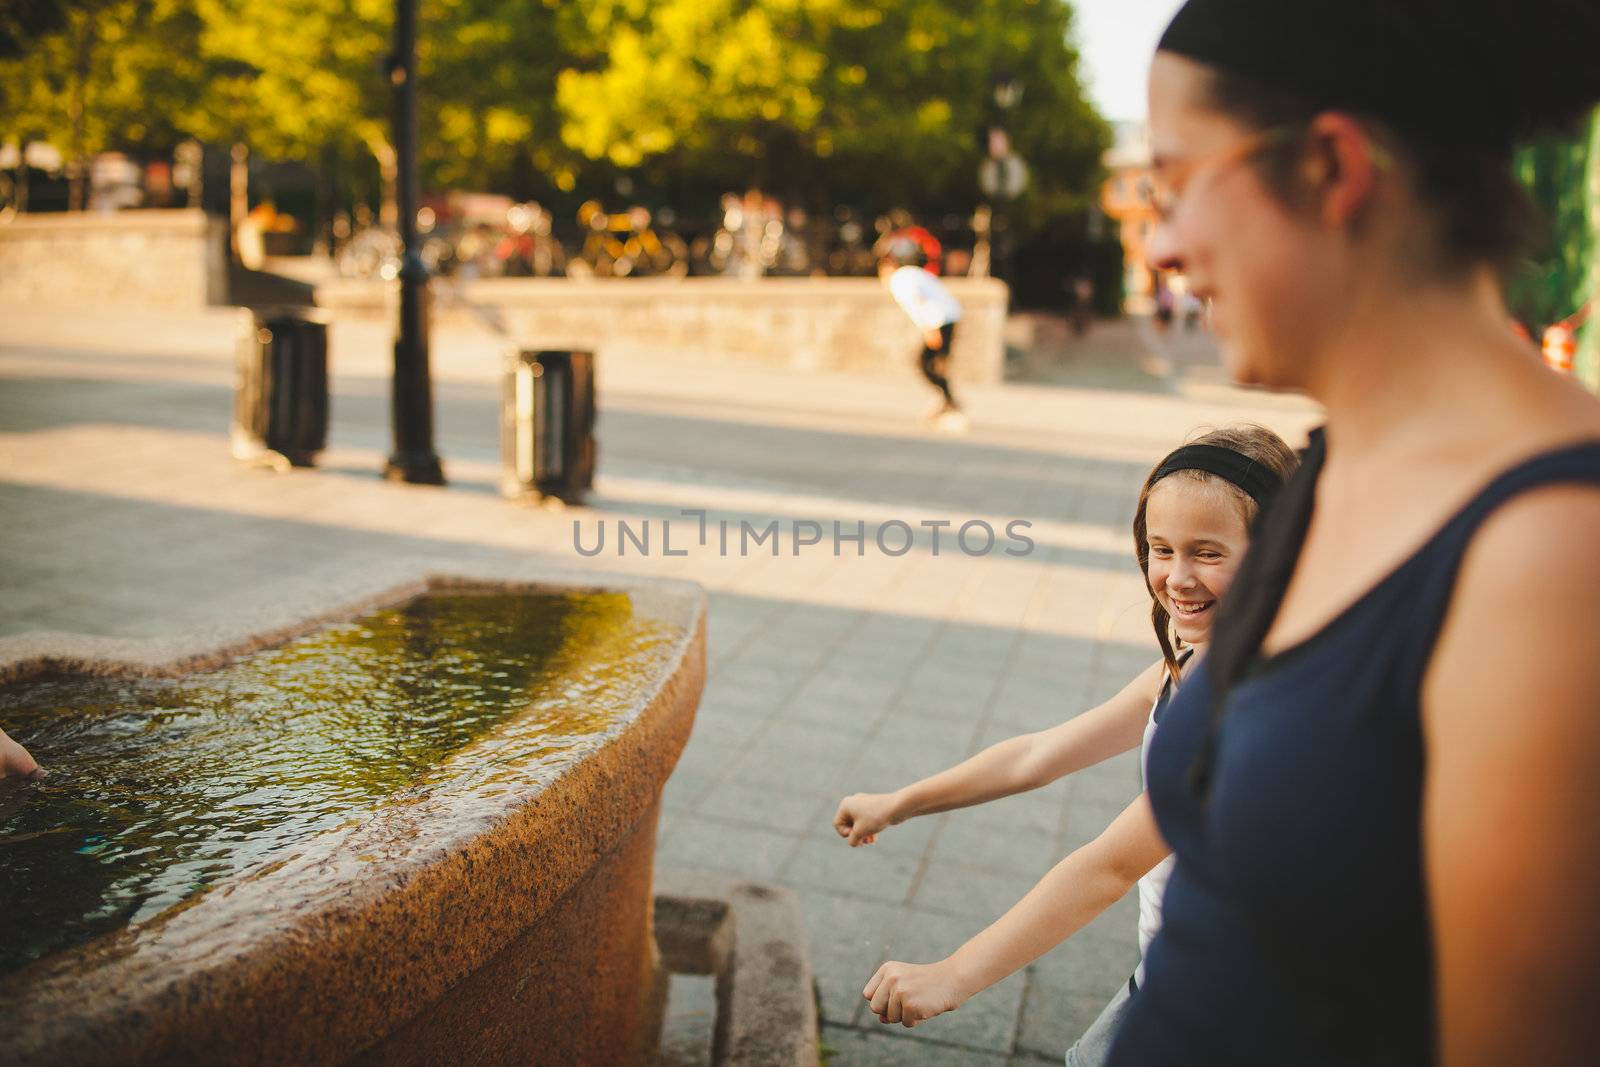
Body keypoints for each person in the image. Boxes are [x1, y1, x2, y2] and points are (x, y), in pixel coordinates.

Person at [1105, 3, 1600, 1064]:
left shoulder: (1555, 551)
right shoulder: (1332, 462)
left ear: (1331, 168)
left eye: (1177, 181)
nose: (1163, 242)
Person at [834, 426, 1298, 1063]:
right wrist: (903, 800)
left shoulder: (1247, 703)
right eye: (1160, 549)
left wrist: (956, 974)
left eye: (1208, 553)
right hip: (1185, 976)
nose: (1177, 577)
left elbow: (1108, 867)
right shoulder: (1196, 659)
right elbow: (1039, 755)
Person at [878, 241, 966, 430]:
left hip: (939, 321)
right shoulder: (915, 273)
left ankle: (950, 403)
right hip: (949, 317)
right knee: (933, 364)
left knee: (926, 364)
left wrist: (929, 329)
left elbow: (916, 303)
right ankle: (943, 400)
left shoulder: (900, 278)